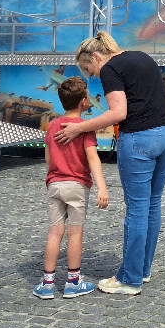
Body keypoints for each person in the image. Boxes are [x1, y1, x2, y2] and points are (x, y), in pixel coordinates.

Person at [56, 32, 165, 295]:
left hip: (141, 138)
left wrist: (79, 128)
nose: (90, 75)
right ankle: (143, 269)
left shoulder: (110, 68)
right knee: (152, 203)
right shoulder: (141, 57)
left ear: (96, 56)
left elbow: (118, 113)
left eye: (87, 68)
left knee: (137, 208)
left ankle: (129, 279)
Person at [35, 75, 109, 300]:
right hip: (77, 186)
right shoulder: (85, 128)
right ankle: (73, 282)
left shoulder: (53, 125)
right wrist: (102, 187)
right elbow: (93, 159)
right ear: (84, 102)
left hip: (55, 184)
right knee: (75, 233)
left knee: (54, 232)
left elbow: (48, 158)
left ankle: (47, 284)